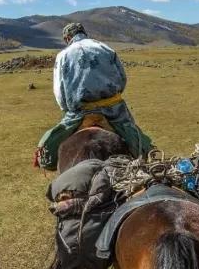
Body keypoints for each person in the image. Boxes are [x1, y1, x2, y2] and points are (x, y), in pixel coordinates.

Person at [34, 22, 153, 170]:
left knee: (47, 148)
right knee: (139, 143)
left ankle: (50, 165)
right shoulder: (105, 48)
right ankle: (146, 163)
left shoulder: (63, 55)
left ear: (67, 38)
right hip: (113, 109)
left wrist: (67, 108)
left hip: (79, 112)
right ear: (84, 33)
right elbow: (122, 78)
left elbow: (59, 92)